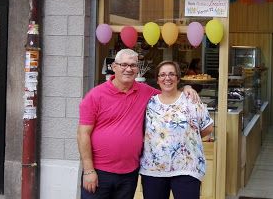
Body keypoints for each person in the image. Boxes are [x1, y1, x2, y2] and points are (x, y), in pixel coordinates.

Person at [77, 49, 199, 199]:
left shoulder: (146, 92)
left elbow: (168, 93)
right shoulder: (95, 95)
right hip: (99, 172)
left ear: (137, 68)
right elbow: (83, 133)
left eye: (133, 65)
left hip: (129, 173)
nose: (128, 69)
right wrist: (88, 170)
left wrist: (187, 88)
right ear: (114, 67)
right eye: (124, 64)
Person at [139, 61, 214, 199]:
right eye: (162, 75)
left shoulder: (191, 100)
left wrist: (187, 136)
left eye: (171, 74)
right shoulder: (149, 103)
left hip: (187, 169)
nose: (167, 78)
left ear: (178, 78)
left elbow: (207, 127)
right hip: (153, 170)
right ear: (157, 79)